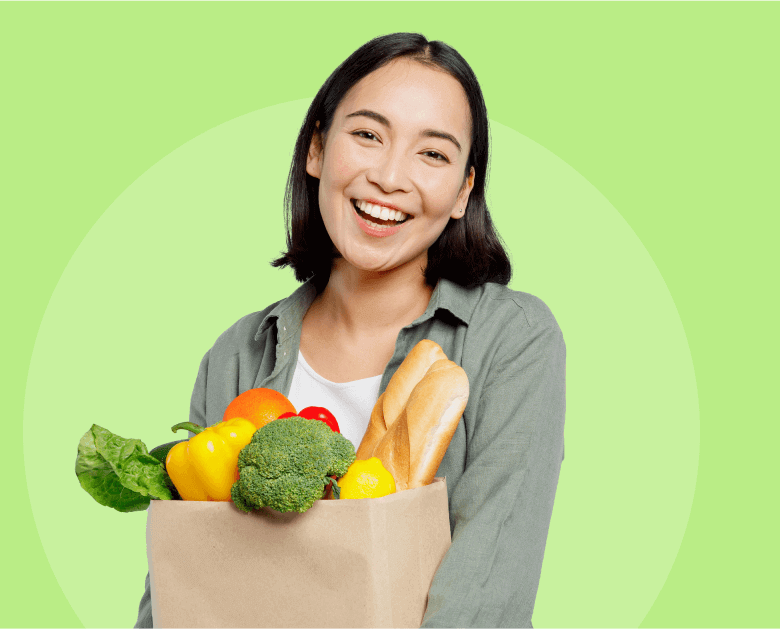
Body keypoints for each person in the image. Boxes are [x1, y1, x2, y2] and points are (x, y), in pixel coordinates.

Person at [135, 32, 565, 629]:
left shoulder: (510, 340)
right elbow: (185, 577)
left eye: (433, 154)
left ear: (464, 191)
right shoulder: (239, 354)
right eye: (367, 135)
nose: (390, 176)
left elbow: (488, 585)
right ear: (317, 149)